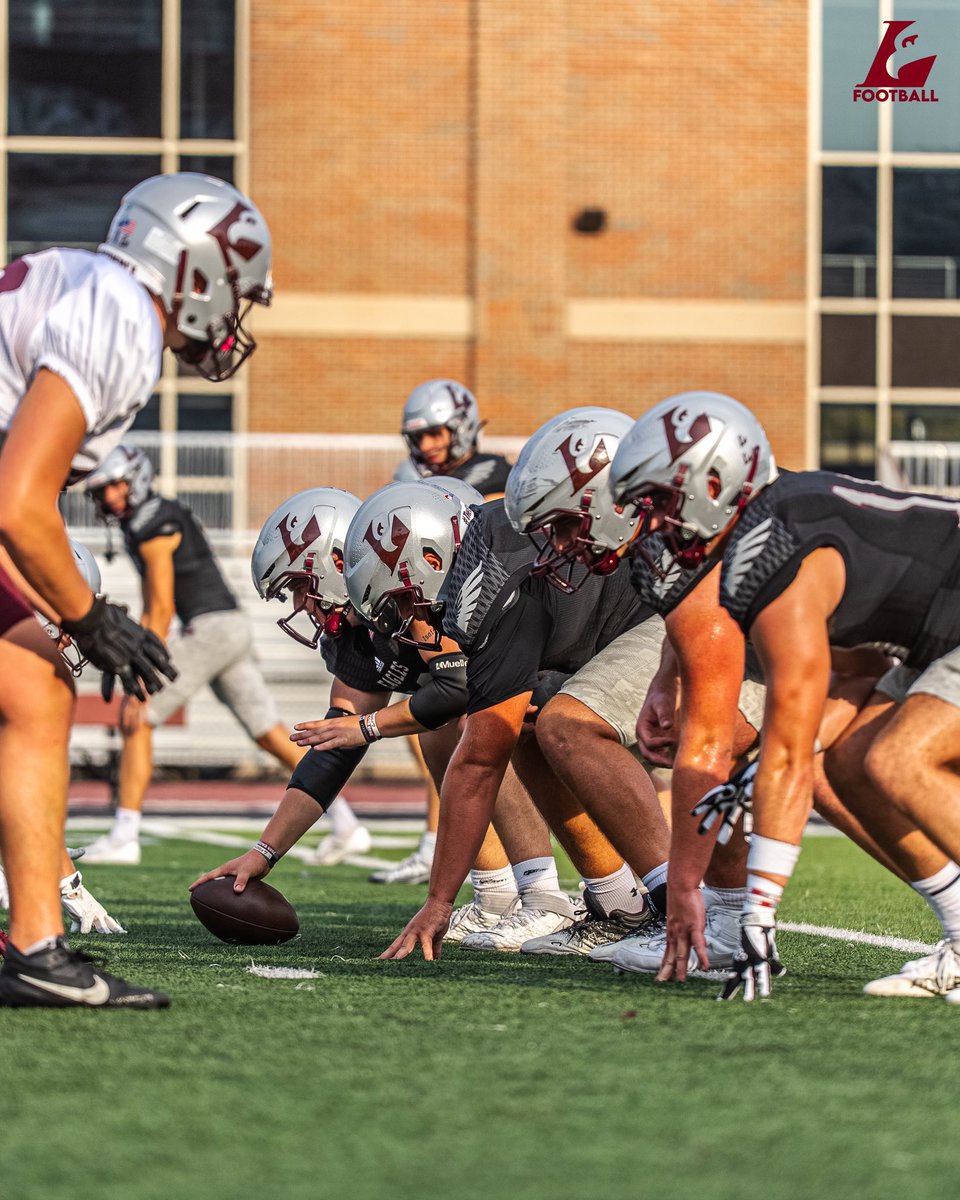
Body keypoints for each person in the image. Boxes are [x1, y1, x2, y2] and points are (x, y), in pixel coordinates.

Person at [0, 169, 271, 1007]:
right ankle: (38, 948)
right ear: (191, 270)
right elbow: (17, 500)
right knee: (39, 684)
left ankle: (37, 944)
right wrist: (90, 615)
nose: (234, 310)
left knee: (34, 688)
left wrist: (66, 614)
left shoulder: (83, 283)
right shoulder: (120, 314)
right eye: (233, 287)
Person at [609, 389, 960, 1002]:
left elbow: (790, 763)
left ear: (716, 481)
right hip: (937, 636)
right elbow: (853, 678)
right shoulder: (775, 529)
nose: (655, 523)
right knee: (849, 762)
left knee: (899, 759)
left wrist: (757, 917)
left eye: (662, 500)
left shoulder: (777, 557)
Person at [191, 482, 559, 941]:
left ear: (338, 563)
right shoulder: (356, 633)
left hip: (556, 672)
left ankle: (545, 894)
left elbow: (458, 686)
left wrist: (368, 728)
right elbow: (333, 748)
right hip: (509, 686)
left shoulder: (416, 591)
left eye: (301, 586)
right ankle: (497, 893)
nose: (300, 604)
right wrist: (264, 852)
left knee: (474, 719)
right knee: (440, 727)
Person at [79, 444, 308, 865]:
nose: (108, 497)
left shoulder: (153, 522)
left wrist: (139, 671)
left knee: (137, 718)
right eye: (101, 490)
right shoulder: (148, 517)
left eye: (114, 485)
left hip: (211, 628)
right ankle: (347, 822)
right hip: (229, 626)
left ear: (135, 478)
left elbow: (160, 605)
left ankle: (125, 833)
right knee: (268, 732)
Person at [384, 382, 514, 884]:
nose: (428, 446)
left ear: (461, 425)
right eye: (419, 436)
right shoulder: (412, 478)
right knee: (433, 731)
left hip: (489, 618)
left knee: (476, 738)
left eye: (436, 432)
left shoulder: (491, 474)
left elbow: (498, 548)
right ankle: (471, 865)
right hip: (441, 619)